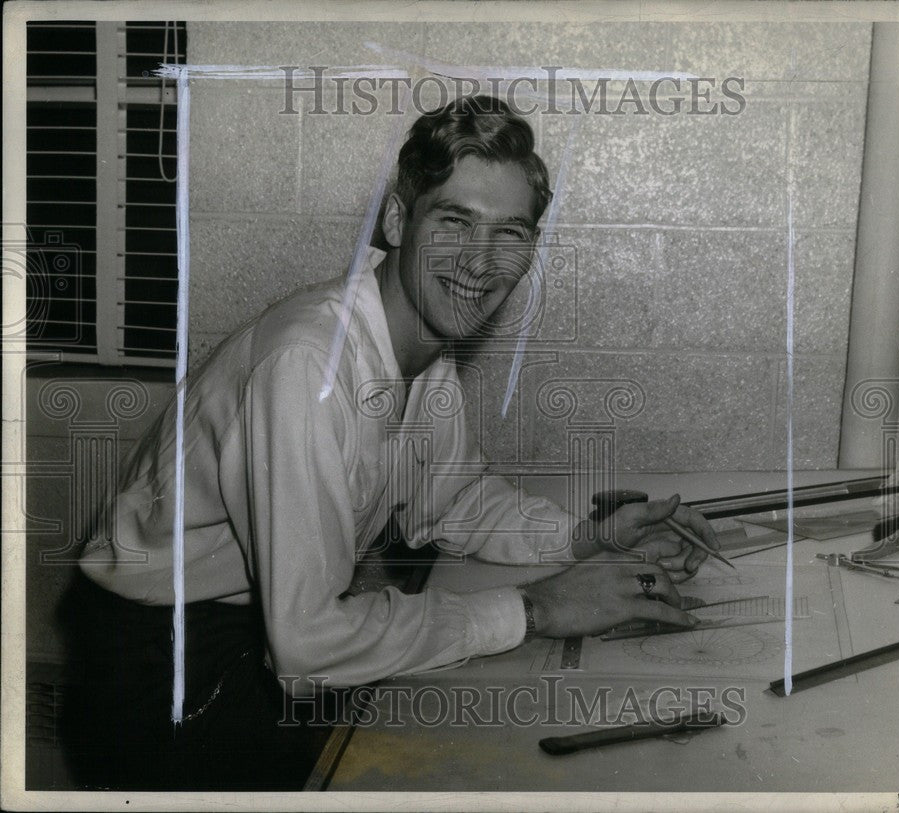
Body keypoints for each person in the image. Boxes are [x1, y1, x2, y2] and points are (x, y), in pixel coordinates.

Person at [64, 95, 719, 791]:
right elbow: (308, 651)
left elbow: (454, 502)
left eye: (511, 233)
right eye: (455, 222)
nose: (480, 261)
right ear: (400, 220)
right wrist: (537, 607)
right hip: (159, 663)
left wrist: (590, 539)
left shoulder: (422, 349)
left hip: (254, 629)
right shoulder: (310, 369)